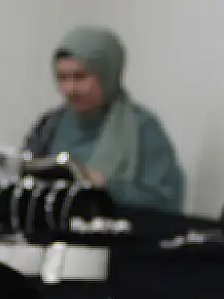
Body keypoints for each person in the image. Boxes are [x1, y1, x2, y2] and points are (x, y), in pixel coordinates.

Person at [23, 27, 186, 212]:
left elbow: (166, 203)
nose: (70, 89)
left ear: (107, 75)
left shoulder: (143, 129)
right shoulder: (50, 125)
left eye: (80, 77)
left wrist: (105, 186)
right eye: (62, 78)